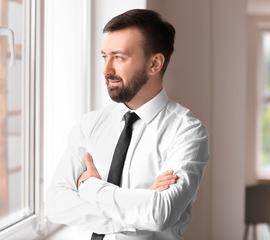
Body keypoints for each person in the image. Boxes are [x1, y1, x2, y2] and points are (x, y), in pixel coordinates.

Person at [46, 9, 209, 240]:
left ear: (154, 64)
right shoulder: (90, 125)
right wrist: (140, 205)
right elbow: (56, 203)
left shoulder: (187, 132)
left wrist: (90, 187)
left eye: (119, 57)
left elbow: (160, 213)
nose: (106, 70)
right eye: (104, 57)